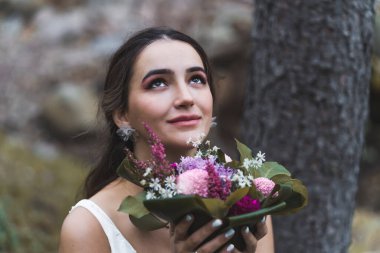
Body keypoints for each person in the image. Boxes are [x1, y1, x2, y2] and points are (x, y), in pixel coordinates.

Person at [58, 27, 274, 253]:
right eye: (158, 83)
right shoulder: (89, 227)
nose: (186, 98)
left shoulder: (244, 195)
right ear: (122, 114)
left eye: (196, 79)